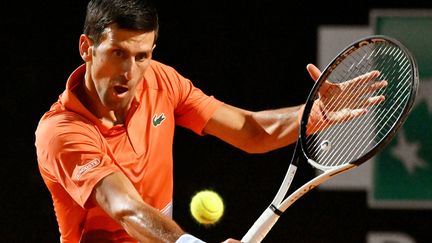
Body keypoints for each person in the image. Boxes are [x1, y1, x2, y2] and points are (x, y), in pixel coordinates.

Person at [34, 0, 386, 242]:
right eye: (118, 53)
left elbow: (249, 130)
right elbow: (125, 207)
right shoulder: (61, 131)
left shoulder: (161, 80)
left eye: (142, 56)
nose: (130, 71)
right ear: (86, 47)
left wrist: (313, 115)